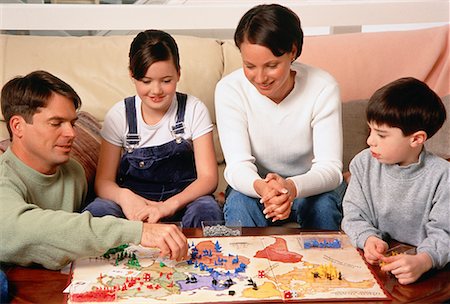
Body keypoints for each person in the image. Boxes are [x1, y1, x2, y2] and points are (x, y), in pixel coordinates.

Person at [0, 70, 188, 270]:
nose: (71, 133)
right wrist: (141, 232)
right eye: (56, 123)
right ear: (17, 126)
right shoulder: (4, 177)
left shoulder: (74, 171)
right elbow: (23, 230)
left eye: (72, 123)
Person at [215, 4, 345, 229]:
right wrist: (264, 188)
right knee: (239, 205)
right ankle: (249, 265)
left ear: (292, 51)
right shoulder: (230, 90)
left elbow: (330, 169)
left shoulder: (323, 87)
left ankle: (323, 264)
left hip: (310, 187)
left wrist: (291, 188)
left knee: (323, 207)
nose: (260, 77)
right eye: (249, 66)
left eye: (271, 65)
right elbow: (237, 166)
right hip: (256, 188)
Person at [83, 30, 222, 228]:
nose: (156, 91)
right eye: (146, 81)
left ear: (178, 73)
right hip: (133, 205)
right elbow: (103, 182)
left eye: (166, 81)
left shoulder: (193, 109)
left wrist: (168, 206)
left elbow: (208, 178)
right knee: (97, 212)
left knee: (207, 211)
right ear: (132, 75)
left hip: (183, 201)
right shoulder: (119, 114)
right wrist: (125, 198)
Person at [341, 77, 449, 285]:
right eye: (370, 130)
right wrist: (368, 239)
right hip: (383, 268)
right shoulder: (363, 164)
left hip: (430, 267)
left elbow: (445, 233)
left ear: (416, 139)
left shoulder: (443, 176)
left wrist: (424, 261)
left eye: (381, 135)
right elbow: (354, 215)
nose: (370, 140)